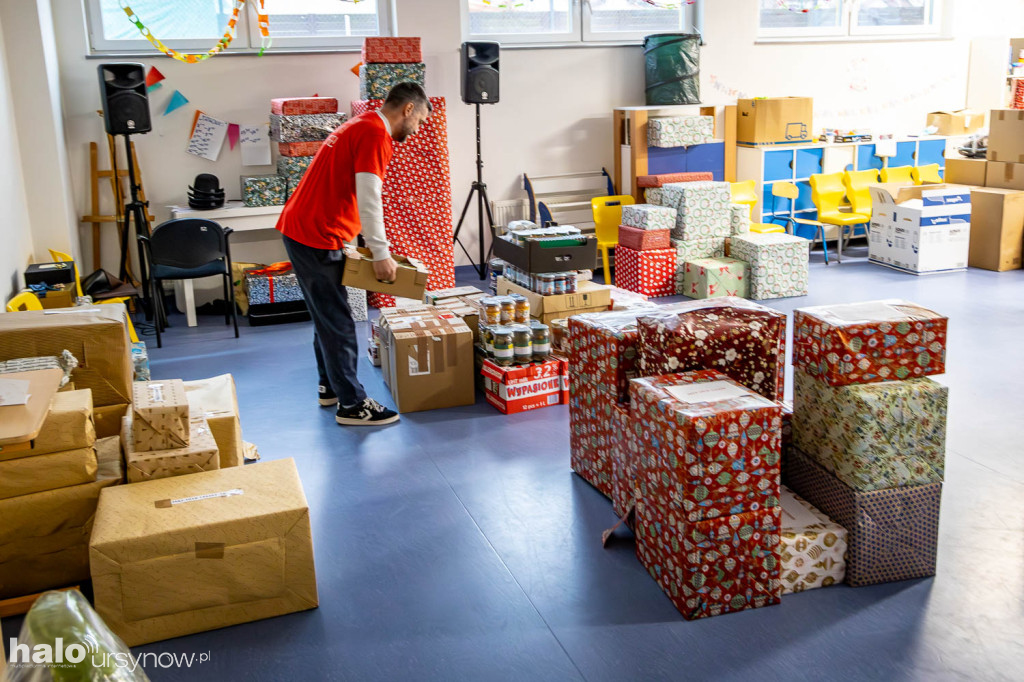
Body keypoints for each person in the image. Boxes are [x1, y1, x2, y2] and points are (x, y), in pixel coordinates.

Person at [276, 82, 432, 426]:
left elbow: (342, 187)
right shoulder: (376, 133)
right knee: (340, 322)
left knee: (327, 316)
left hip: (307, 228)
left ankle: (328, 387)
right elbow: (369, 195)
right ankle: (352, 405)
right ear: (407, 109)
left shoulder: (357, 124)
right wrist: (380, 252)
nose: (417, 129)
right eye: (419, 120)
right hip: (316, 234)